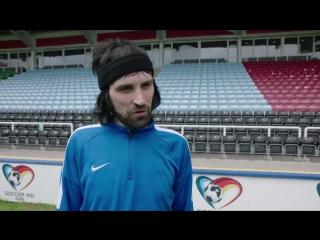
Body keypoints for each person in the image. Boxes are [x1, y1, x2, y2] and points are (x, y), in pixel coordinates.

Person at [56, 38, 194, 211]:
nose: (140, 99)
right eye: (125, 88)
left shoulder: (176, 144)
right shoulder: (80, 142)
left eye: (146, 85)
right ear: (107, 95)